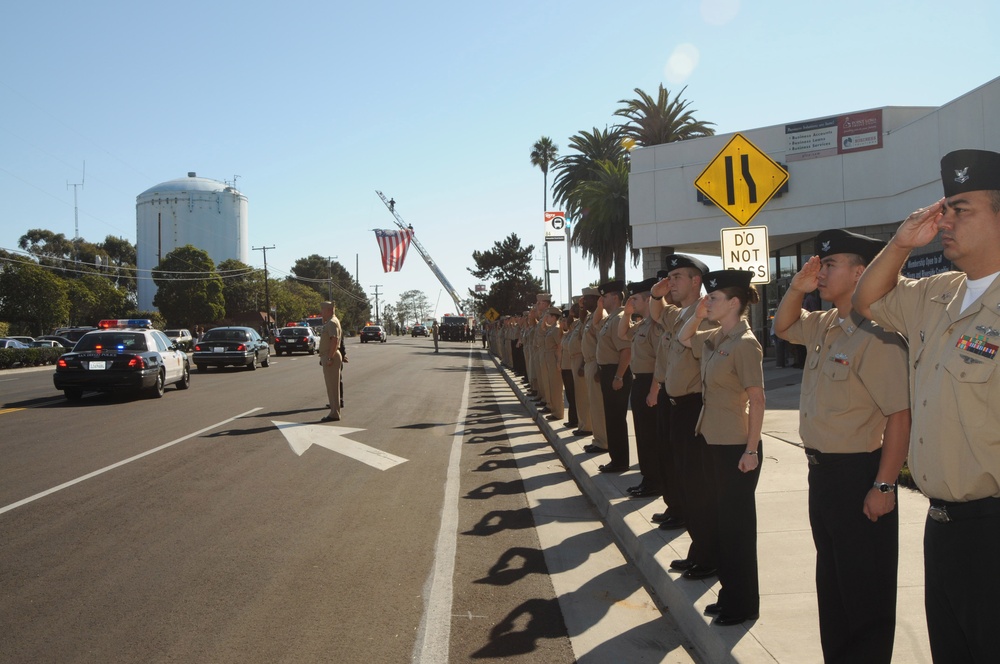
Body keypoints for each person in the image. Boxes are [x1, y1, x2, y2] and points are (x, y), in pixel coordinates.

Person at [853, 149, 1000, 663]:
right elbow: (866, 301)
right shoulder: (939, 293)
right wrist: (898, 245)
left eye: (963, 209)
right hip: (941, 527)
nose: (947, 221)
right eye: (946, 209)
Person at [775, 229, 911, 663]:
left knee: (864, 595)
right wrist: (797, 287)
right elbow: (782, 326)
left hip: (860, 476)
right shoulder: (825, 324)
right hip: (824, 476)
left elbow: (900, 416)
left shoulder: (878, 335)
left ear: (861, 273)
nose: (821, 270)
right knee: (832, 587)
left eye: (831, 264)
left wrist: (885, 486)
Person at [679, 269, 764, 627]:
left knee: (737, 531)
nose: (706, 301)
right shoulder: (718, 337)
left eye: (712, 298)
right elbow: (685, 339)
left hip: (735, 446)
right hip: (713, 440)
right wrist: (697, 315)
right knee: (723, 525)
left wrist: (752, 449)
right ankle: (730, 595)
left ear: (734, 303)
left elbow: (758, 401)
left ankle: (743, 604)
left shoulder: (745, 344)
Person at [649, 255, 715, 563]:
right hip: (676, 404)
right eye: (669, 277)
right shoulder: (679, 315)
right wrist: (654, 295)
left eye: (677, 277)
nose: (670, 282)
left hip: (695, 405)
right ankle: (697, 547)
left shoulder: (706, 315)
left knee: (697, 484)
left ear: (695, 281)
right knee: (683, 478)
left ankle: (703, 551)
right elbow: (657, 312)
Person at [617, 277, 662, 496]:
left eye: (634, 298)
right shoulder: (642, 324)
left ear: (647, 300)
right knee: (642, 435)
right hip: (639, 381)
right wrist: (626, 314)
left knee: (651, 436)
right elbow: (622, 334)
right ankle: (648, 478)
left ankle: (655, 481)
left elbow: (660, 362)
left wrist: (654, 390)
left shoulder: (655, 325)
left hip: (650, 382)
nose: (631, 302)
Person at [594, 280, 633, 473]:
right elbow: (594, 323)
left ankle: (620, 461)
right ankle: (616, 459)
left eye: (605, 296)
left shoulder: (619, 319)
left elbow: (626, 351)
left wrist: (618, 377)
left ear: (615, 297)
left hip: (616, 372)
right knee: (611, 418)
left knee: (616, 418)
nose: (602, 299)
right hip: (608, 370)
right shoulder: (611, 318)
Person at [579, 287, 607, 452]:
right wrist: (582, 307)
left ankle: (603, 442)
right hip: (589, 362)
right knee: (593, 404)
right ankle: (598, 439)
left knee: (598, 405)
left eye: (587, 298)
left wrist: (599, 368)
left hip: (596, 363)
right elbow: (583, 326)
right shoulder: (591, 317)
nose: (584, 301)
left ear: (597, 300)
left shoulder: (600, 317)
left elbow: (601, 344)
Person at [318, 301, 343, 422]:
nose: (321, 312)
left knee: (332, 387)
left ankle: (334, 413)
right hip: (329, 355)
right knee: (331, 387)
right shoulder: (331, 321)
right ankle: (334, 411)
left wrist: (329, 357)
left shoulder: (332, 322)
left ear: (328, 310)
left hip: (331, 356)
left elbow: (334, 340)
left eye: (322, 310)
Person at [559, 306, 579, 430]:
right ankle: (572, 419)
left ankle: (575, 420)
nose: (563, 323)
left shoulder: (574, 332)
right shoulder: (566, 334)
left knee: (574, 395)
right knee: (569, 396)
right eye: (561, 321)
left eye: (565, 321)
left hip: (572, 367)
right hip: (565, 367)